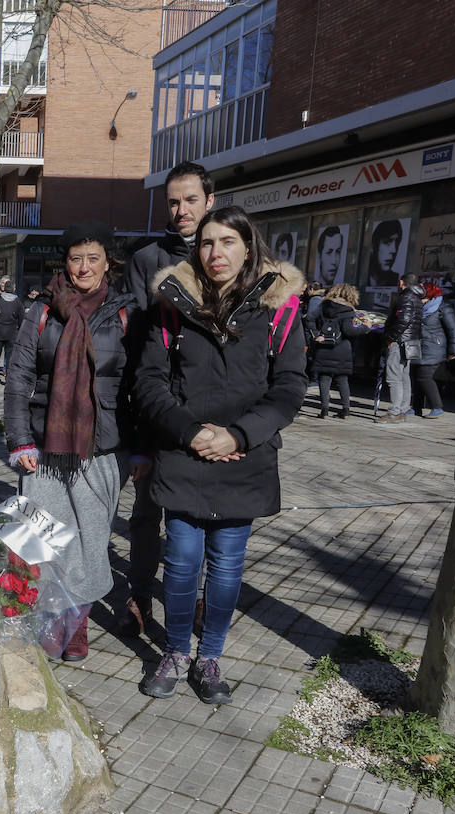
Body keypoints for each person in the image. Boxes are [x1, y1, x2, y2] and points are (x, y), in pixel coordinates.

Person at [136, 205, 307, 705]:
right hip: (183, 453)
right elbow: (149, 382)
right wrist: (189, 431)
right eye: (208, 243)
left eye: (228, 242)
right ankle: (174, 651)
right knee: (183, 561)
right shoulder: (170, 304)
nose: (216, 253)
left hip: (244, 457)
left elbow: (289, 389)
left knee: (228, 566)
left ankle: (209, 656)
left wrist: (238, 435)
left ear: (248, 247)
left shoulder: (280, 308)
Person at [4, 220, 139, 662]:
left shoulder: (125, 313)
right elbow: (20, 376)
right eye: (76, 258)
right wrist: (20, 439)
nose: (83, 267)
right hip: (44, 448)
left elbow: (139, 383)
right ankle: (46, 618)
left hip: (101, 450)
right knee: (41, 539)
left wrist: (139, 447)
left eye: (93, 258)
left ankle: (75, 624)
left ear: (107, 263)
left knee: (90, 541)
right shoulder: (40, 310)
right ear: (65, 262)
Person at [115, 160, 215, 637]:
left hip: (211, 410)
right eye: (173, 201)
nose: (181, 210)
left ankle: (197, 599)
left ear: (210, 201)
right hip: (155, 407)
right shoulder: (145, 258)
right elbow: (135, 345)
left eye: (190, 199)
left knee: (203, 514)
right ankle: (138, 594)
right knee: (146, 511)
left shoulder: (228, 253)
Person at [308, 283, 367, 418]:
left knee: (324, 378)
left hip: (324, 346)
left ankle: (324, 411)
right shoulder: (348, 310)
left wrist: (316, 335)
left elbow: (309, 319)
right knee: (342, 379)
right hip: (342, 348)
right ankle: (345, 410)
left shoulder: (323, 305)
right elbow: (349, 331)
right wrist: (365, 328)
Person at [377, 272, 424, 423]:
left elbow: (403, 321)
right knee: (404, 376)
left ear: (402, 282)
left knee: (394, 377)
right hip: (410, 343)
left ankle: (395, 411)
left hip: (400, 343)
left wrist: (391, 338)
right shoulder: (417, 299)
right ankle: (402, 409)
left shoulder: (405, 298)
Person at [412, 282, 455, 418]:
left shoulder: (442, 308)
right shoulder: (421, 308)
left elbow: (453, 329)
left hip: (435, 348)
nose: (420, 299)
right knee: (417, 377)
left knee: (425, 377)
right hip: (420, 347)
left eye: (422, 296)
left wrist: (453, 351)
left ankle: (437, 407)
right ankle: (416, 407)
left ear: (431, 296)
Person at [0, 275, 24, 383]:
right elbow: (21, 318)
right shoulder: (18, 302)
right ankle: (8, 379)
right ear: (13, 289)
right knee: (10, 358)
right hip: (12, 334)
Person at [368, 219, 404, 289]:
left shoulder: (397, 281)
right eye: (387, 242)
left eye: (397, 243)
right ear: (374, 245)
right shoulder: (361, 277)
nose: (394, 250)